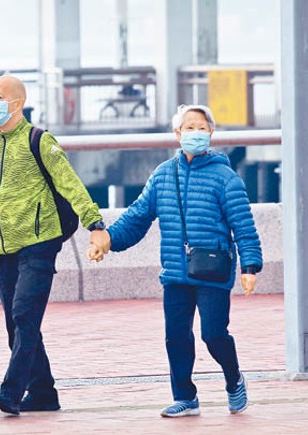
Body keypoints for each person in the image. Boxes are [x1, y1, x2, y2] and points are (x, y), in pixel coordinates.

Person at [89, 104, 262, 417]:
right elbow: (138, 216)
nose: (195, 133)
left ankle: (234, 378)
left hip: (213, 269)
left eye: (201, 127)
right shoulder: (162, 175)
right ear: (177, 133)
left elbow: (244, 226)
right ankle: (185, 396)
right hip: (175, 272)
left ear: (211, 133)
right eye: (188, 127)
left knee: (213, 334)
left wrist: (250, 267)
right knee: (176, 336)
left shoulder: (226, 178)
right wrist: (109, 240)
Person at [0, 75, 108, 415]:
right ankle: (43, 393)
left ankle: (10, 392)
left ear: (16, 103)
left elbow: (70, 183)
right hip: (4, 247)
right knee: (16, 323)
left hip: (39, 243)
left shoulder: (39, 140)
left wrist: (95, 225)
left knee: (25, 314)